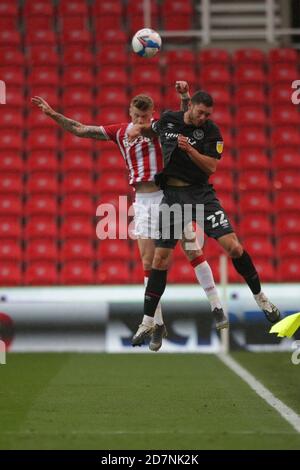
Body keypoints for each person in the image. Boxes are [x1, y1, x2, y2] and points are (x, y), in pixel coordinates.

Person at [31, 84, 227, 353]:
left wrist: (185, 97)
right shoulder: (120, 131)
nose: (140, 122)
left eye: (144, 118)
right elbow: (81, 129)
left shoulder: (160, 128)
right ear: (130, 113)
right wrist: (52, 113)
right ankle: (157, 324)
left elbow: (186, 121)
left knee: (192, 248)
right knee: (148, 263)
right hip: (143, 202)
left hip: (169, 194)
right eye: (136, 117)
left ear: (152, 116)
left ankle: (216, 306)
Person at [128, 89, 281, 349]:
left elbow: (211, 167)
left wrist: (189, 150)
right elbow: (151, 127)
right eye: (200, 113)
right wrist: (136, 130)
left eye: (207, 114)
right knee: (159, 259)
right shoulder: (168, 120)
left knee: (233, 247)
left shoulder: (211, 132)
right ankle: (147, 321)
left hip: (201, 195)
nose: (203, 118)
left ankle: (261, 298)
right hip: (173, 197)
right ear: (191, 107)